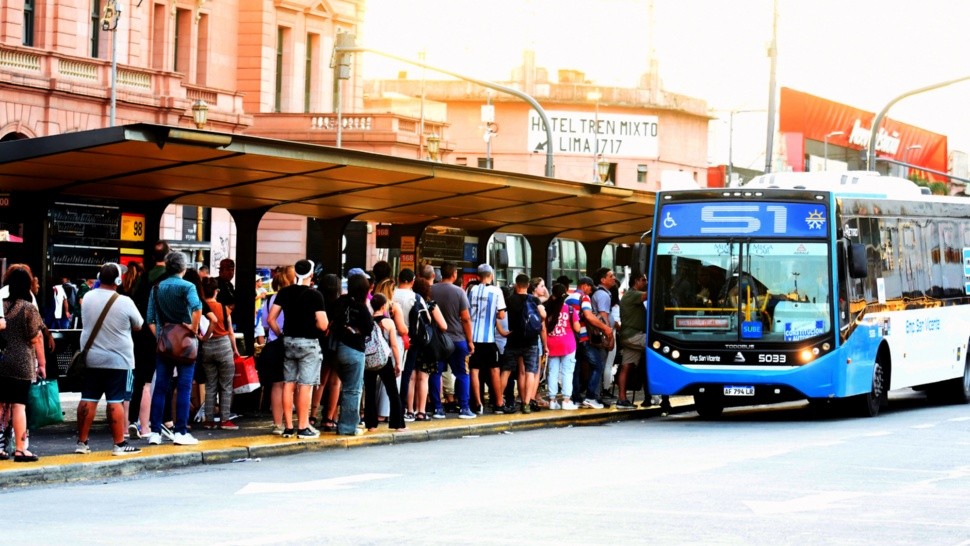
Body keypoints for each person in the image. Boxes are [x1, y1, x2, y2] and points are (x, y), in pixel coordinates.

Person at [74, 262, 144, 456]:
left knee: (88, 398)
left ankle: (82, 443)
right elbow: (138, 324)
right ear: (118, 280)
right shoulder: (125, 301)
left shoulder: (87, 297)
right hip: (118, 359)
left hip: (92, 358)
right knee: (116, 401)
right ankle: (118, 445)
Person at [146, 251, 203, 446]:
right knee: (184, 387)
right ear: (183, 268)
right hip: (186, 343)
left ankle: (155, 432)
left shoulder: (156, 288)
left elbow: (150, 319)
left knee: (160, 387)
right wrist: (193, 329)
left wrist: (161, 336)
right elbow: (197, 308)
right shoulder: (188, 286)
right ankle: (180, 432)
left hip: (165, 343)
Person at [267, 259, 328, 439]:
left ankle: (288, 427)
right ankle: (303, 426)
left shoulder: (284, 292)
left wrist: (281, 334)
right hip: (308, 343)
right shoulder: (315, 295)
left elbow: (271, 319)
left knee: (289, 383)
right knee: (305, 386)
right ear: (311, 274)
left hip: (289, 341)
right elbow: (323, 325)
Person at [0, 266, 46, 462]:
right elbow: (36, 338)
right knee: (19, 406)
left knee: (1, 405)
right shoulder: (29, 308)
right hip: (21, 362)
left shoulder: (1, 305)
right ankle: (20, 449)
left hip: (1, 361)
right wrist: (42, 363)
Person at [429, 261, 477, 420]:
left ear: (441, 274)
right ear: (454, 274)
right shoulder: (459, 292)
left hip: (437, 340)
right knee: (462, 374)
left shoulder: (431, 290)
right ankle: (464, 408)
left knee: (435, 373)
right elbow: (466, 319)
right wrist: (470, 341)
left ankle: (437, 408)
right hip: (457, 339)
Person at [328, 273, 373, 435]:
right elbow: (369, 327)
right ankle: (348, 426)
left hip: (336, 349)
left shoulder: (340, 302)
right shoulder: (361, 307)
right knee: (352, 389)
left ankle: (339, 420)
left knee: (345, 387)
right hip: (354, 350)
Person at [199, 277, 242, 430]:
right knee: (226, 385)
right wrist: (235, 350)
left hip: (207, 347)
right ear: (216, 291)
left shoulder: (200, 307)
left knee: (210, 385)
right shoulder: (225, 309)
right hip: (224, 347)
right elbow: (230, 332)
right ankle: (224, 420)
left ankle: (209, 420)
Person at [566, 276, 611, 409]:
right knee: (597, 365)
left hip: (573, 338)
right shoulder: (584, 297)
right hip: (583, 337)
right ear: (585, 285)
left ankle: (576, 398)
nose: (591, 292)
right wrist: (605, 328)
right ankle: (591, 397)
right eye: (590, 289)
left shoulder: (568, 298)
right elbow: (588, 315)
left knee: (576, 368)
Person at [503, 274, 546, 414]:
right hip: (531, 340)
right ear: (528, 285)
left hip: (513, 340)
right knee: (530, 372)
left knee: (508, 371)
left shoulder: (509, 300)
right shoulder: (534, 299)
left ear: (516, 285)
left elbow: (500, 315)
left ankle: (498, 400)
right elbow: (543, 316)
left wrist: (502, 331)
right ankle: (526, 404)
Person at [467, 264, 506, 413]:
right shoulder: (497, 291)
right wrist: (492, 315)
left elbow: (467, 312)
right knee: (494, 370)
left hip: (474, 338)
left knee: (474, 371)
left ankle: (477, 404)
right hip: (489, 339)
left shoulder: (472, 290)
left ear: (478, 276)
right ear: (491, 275)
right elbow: (501, 314)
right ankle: (498, 403)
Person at [363, 293, 405, 431]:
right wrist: (398, 363)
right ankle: (397, 424)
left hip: (369, 359)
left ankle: (371, 424)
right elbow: (393, 345)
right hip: (384, 359)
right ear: (383, 306)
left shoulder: (367, 320)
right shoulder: (388, 322)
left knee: (369, 392)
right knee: (392, 391)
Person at [261, 266, 294, 434]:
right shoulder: (290, 300)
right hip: (287, 343)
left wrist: (276, 333)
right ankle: (290, 422)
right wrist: (281, 332)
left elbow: (265, 324)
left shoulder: (267, 301)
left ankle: (277, 423)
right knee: (289, 383)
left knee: (276, 385)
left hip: (272, 344)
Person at [409, 277, 447, 422]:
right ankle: (421, 411)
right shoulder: (431, 305)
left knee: (411, 378)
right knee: (423, 378)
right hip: (428, 345)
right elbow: (444, 326)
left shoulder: (412, 303)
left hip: (413, 344)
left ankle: (409, 410)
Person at [544, 282, 581, 410]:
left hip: (551, 344)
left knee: (552, 372)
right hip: (568, 344)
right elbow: (577, 328)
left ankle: (552, 400)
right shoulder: (570, 309)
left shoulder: (546, 308)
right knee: (567, 372)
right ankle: (566, 400)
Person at [615, 270, 648, 409]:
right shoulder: (632, 295)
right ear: (636, 281)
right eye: (644, 280)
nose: (646, 283)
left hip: (629, 337)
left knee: (626, 366)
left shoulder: (630, 295)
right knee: (658, 345)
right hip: (634, 336)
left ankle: (622, 399)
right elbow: (648, 295)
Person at [314, 272, 342, 432]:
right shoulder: (339, 303)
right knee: (335, 383)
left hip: (321, 343)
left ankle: (312, 414)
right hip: (336, 344)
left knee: (320, 381)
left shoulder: (319, 301)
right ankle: (329, 418)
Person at [392, 268, 417, 421]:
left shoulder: (391, 294)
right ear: (412, 281)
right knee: (405, 374)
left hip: (389, 335)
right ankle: (402, 407)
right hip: (407, 338)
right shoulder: (414, 297)